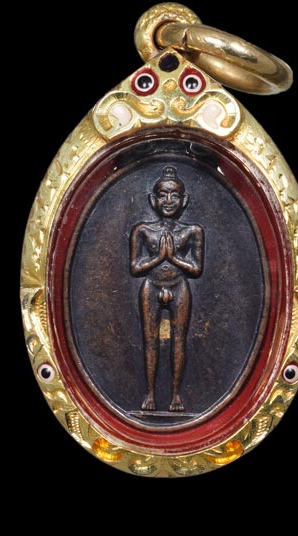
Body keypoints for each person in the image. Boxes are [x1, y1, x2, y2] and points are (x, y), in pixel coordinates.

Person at [130, 166, 204, 412]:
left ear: (184, 200)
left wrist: (173, 258)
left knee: (179, 340)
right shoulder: (143, 230)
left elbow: (196, 269)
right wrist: (158, 258)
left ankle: (175, 395)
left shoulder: (192, 231)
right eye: (163, 195)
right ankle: (150, 393)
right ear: (153, 200)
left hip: (179, 284)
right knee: (149, 340)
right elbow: (135, 268)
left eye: (174, 195)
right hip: (151, 285)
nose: (169, 200)